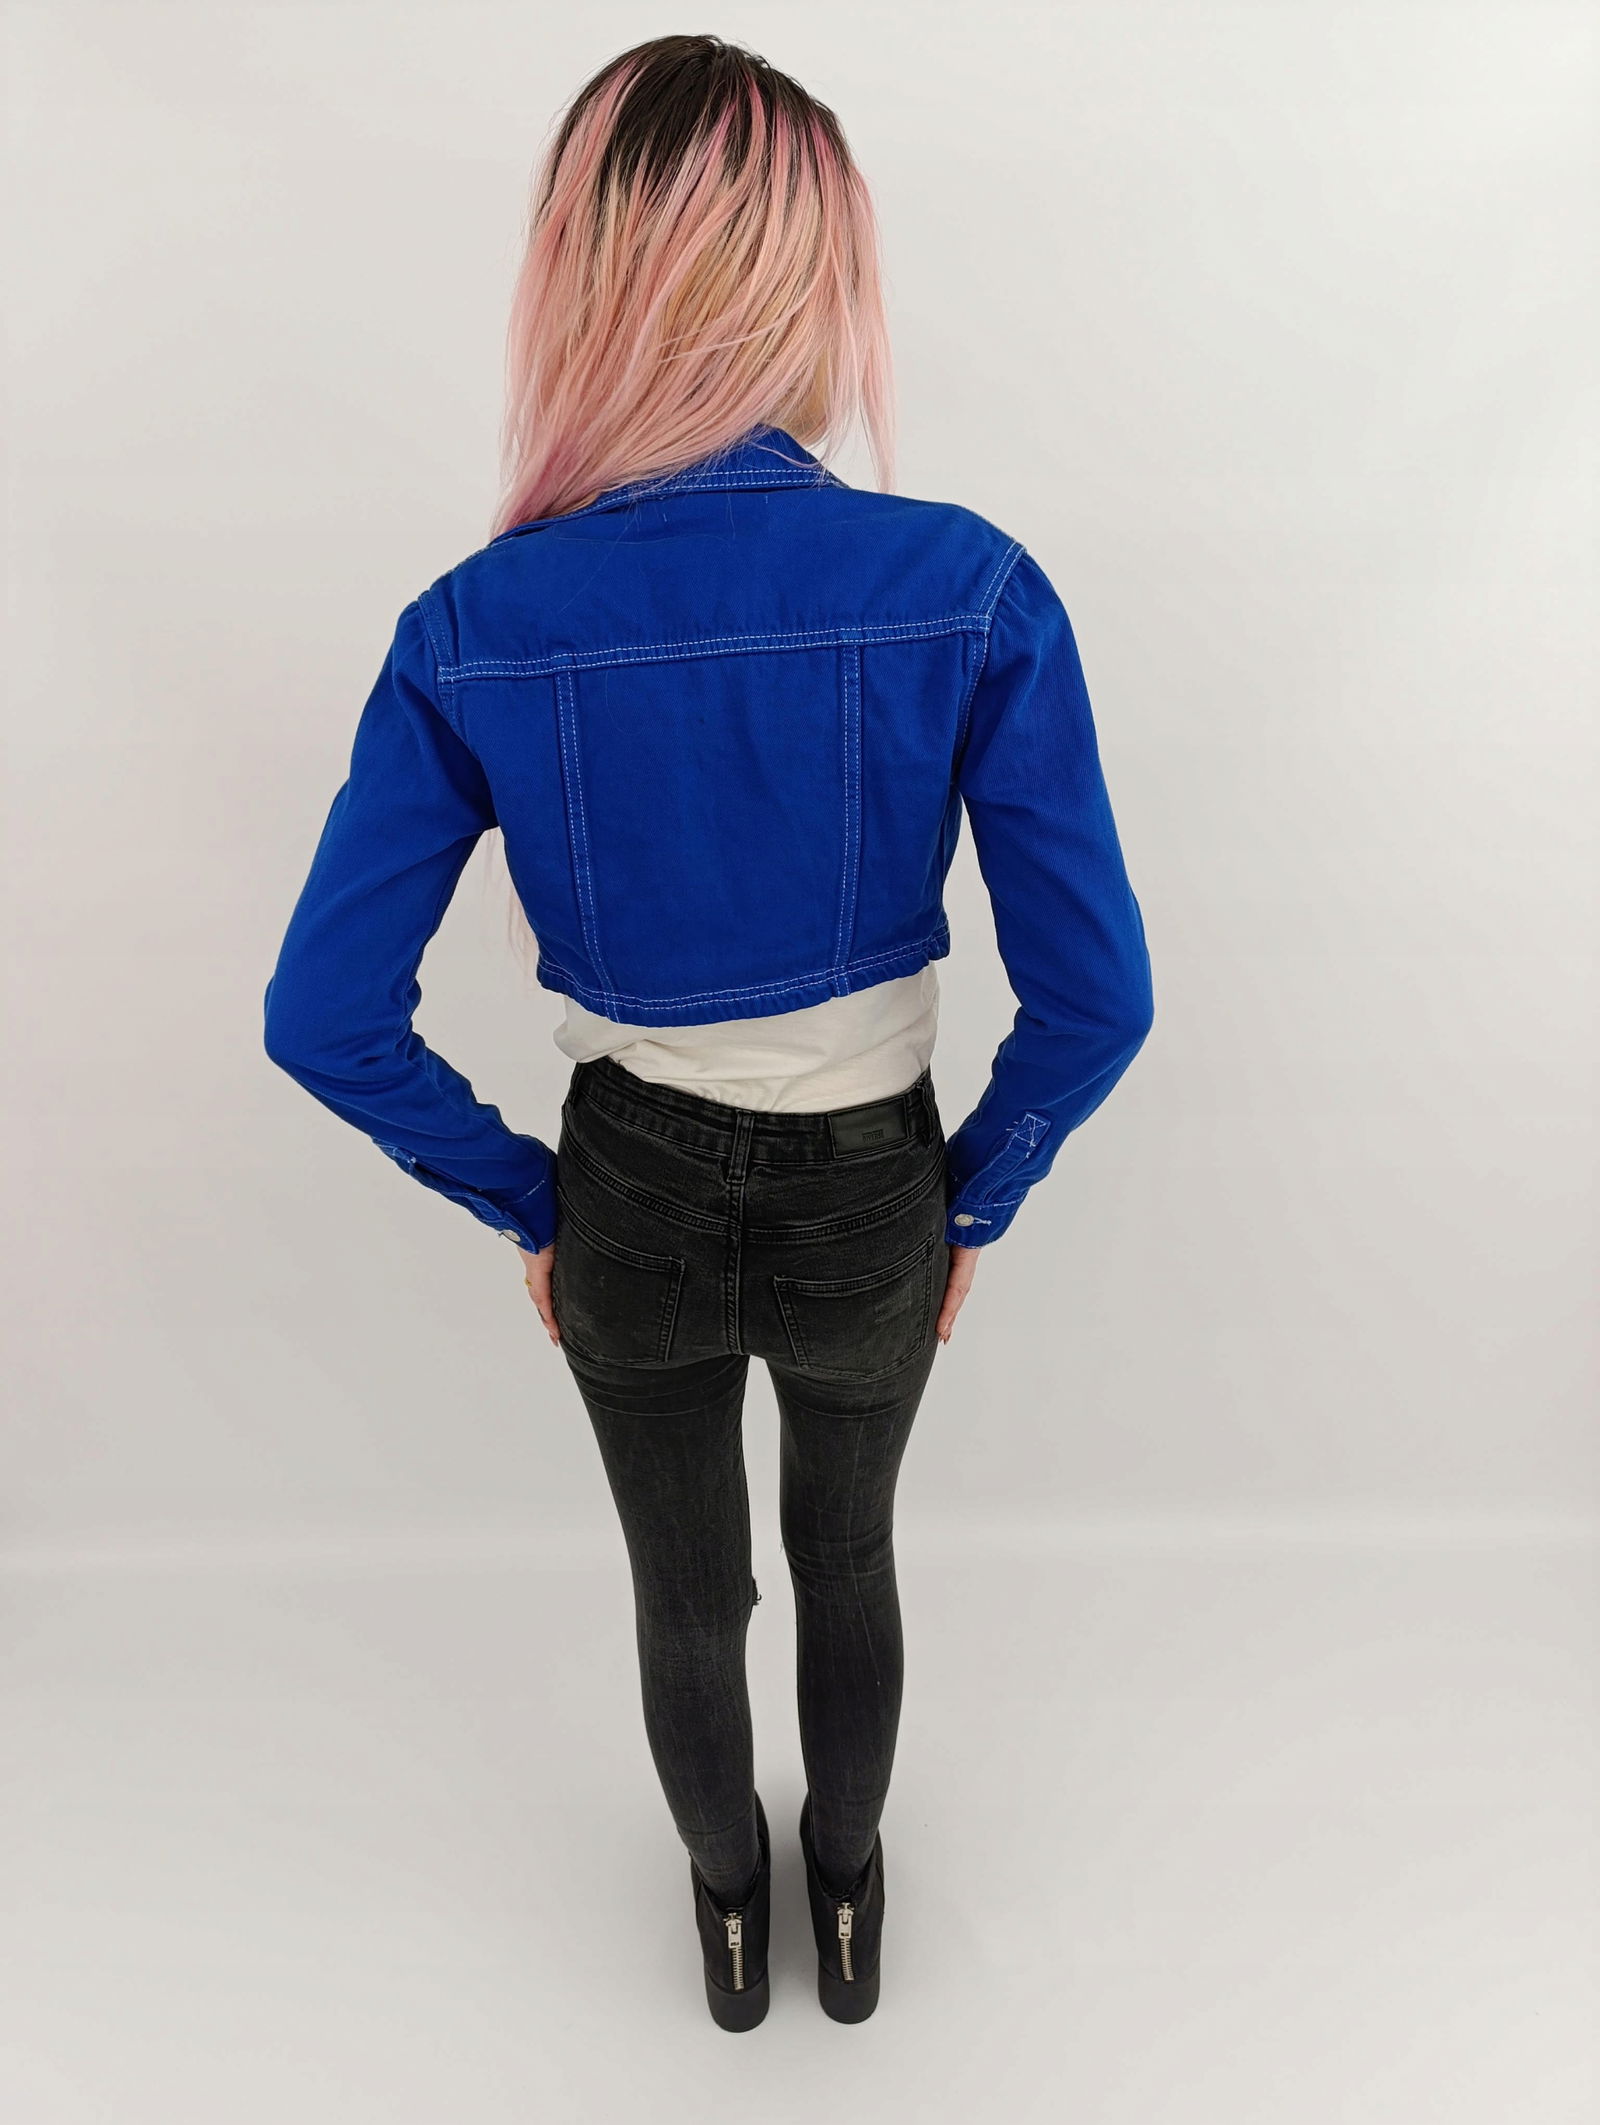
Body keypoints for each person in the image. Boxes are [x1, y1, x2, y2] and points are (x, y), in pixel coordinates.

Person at [262, 33, 1154, 2032]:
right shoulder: (968, 590)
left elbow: (320, 1014)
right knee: (847, 1558)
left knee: (686, 1591)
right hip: (871, 1192)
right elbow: (1100, 994)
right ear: (812, 282)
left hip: (631, 1191)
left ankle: (730, 1920)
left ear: (582, 279)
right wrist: (975, 1198)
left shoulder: (474, 624)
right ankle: (850, 1897)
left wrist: (527, 1199)